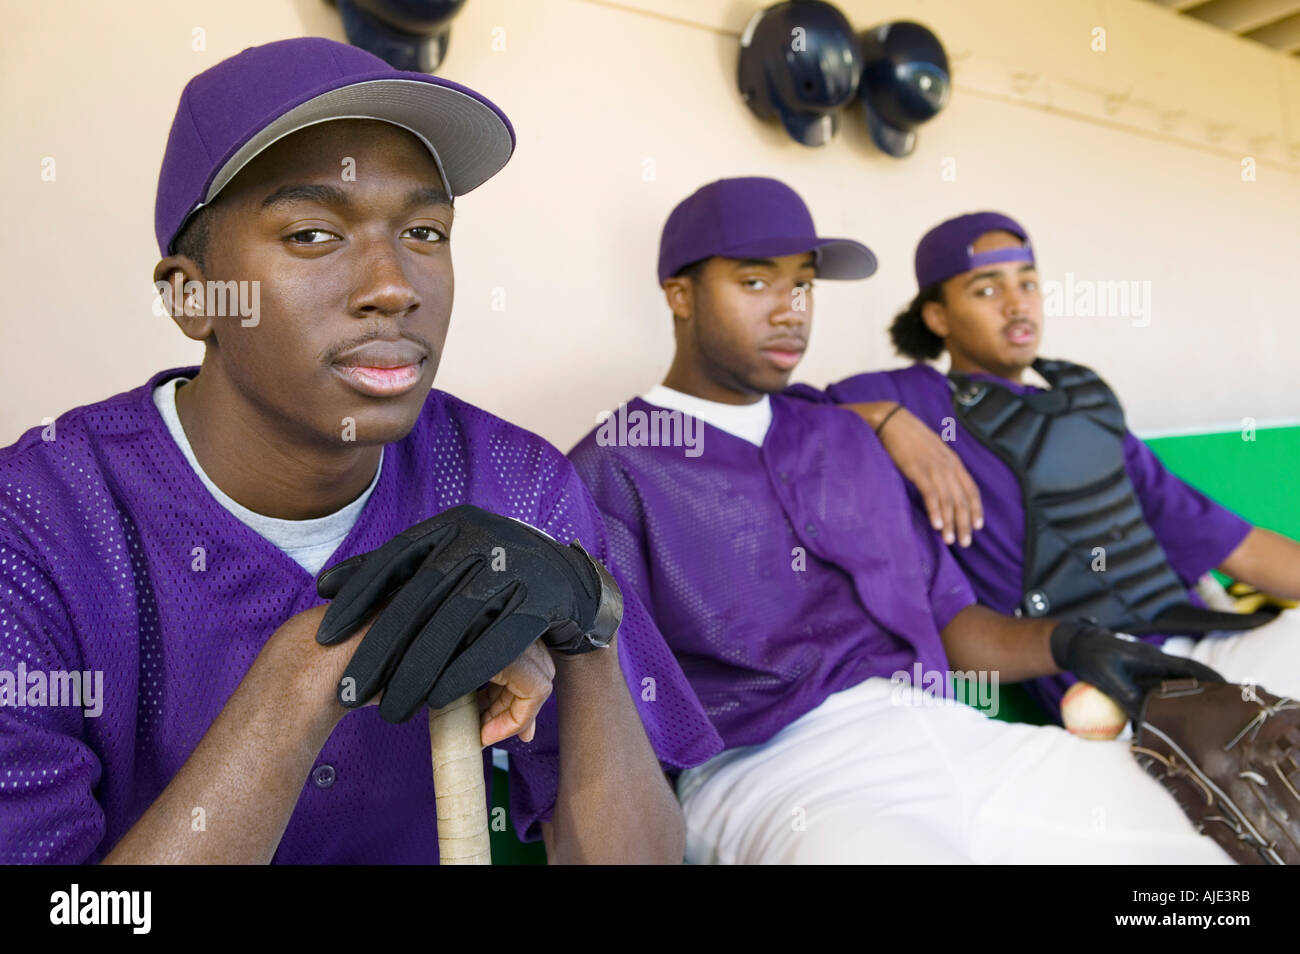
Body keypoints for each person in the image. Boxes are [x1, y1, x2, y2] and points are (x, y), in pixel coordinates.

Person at [0, 37, 721, 865]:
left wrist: (583, 621)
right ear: (192, 297)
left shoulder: (513, 482)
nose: (394, 286)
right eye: (312, 234)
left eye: (424, 230)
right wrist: (309, 675)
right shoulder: (35, 525)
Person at [568, 176, 1235, 864]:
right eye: (756, 281)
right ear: (680, 294)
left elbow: (953, 622)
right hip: (771, 774)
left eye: (804, 285)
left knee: (1199, 834)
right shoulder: (611, 469)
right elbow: (599, 710)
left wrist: (1073, 643)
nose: (791, 310)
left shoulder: (846, 439)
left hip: (947, 729)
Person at [816, 212, 1300, 718]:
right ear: (937, 317)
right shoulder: (913, 398)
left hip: (1207, 638)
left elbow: (1236, 547)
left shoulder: (1085, 406)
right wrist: (884, 419)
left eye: (1028, 284)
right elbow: (777, 420)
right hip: (1103, 677)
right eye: (986, 290)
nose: (1016, 303)